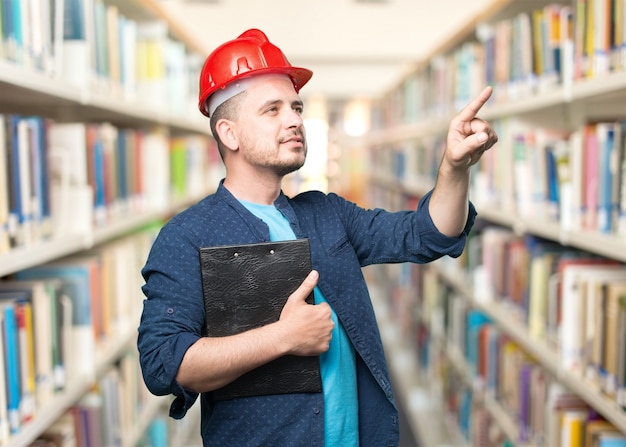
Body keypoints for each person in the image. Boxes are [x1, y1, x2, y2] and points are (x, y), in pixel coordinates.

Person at [137, 28, 497, 447]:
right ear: (229, 133)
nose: (294, 120)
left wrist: (455, 168)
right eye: (272, 110)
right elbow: (162, 363)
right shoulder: (188, 236)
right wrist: (282, 337)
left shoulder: (326, 213)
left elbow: (429, 234)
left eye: (296, 107)